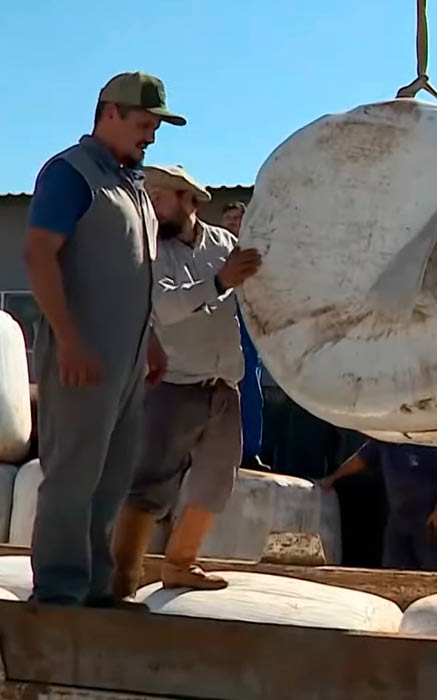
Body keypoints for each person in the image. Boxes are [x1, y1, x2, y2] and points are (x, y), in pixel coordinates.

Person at [23, 71, 179, 608]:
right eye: (143, 123)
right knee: (73, 476)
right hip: (82, 357)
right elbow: (39, 254)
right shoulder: (71, 175)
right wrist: (68, 340)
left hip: (128, 359)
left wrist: (150, 339)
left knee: (111, 479)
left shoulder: (130, 184)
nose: (151, 136)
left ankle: (94, 587)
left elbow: (135, 273)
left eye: (156, 126)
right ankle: (59, 593)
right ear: (109, 113)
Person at [110, 165, 262, 597]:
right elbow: (165, 306)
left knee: (216, 479)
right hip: (173, 382)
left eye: (160, 198)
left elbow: (252, 293)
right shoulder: (150, 251)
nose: (152, 208)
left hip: (222, 382)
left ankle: (180, 563)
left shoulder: (224, 244)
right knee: (150, 483)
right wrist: (220, 282)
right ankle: (122, 579)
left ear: (189, 201)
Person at [321, 440, 437, 571]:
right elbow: (361, 459)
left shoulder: (431, 435)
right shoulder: (386, 436)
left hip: (428, 518)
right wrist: (334, 477)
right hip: (398, 517)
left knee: (431, 568)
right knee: (392, 567)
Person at [222, 201, 270, 471]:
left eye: (237, 219)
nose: (232, 223)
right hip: (221, 319)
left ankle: (250, 450)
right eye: (228, 218)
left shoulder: (257, 251)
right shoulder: (215, 250)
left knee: (250, 387)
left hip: (249, 322)